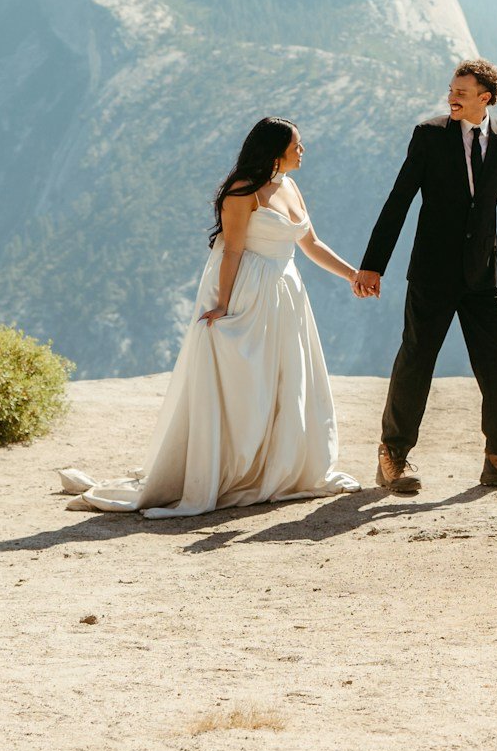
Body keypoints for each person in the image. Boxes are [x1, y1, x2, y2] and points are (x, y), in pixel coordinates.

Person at [57, 117, 363, 516]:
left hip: (287, 294)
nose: (302, 151)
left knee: (289, 381)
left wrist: (352, 275)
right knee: (248, 388)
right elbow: (233, 251)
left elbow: (311, 243)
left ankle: (280, 466)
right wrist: (223, 304)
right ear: (275, 152)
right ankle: (237, 468)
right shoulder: (242, 192)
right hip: (251, 294)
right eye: (297, 146)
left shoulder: (289, 185)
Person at [355, 58, 497, 494]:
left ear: (485, 99)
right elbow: (399, 199)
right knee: (417, 358)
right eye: (450, 90)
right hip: (431, 272)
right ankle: (393, 455)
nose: (451, 98)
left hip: (482, 276)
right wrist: (373, 264)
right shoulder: (429, 135)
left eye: (461, 93)